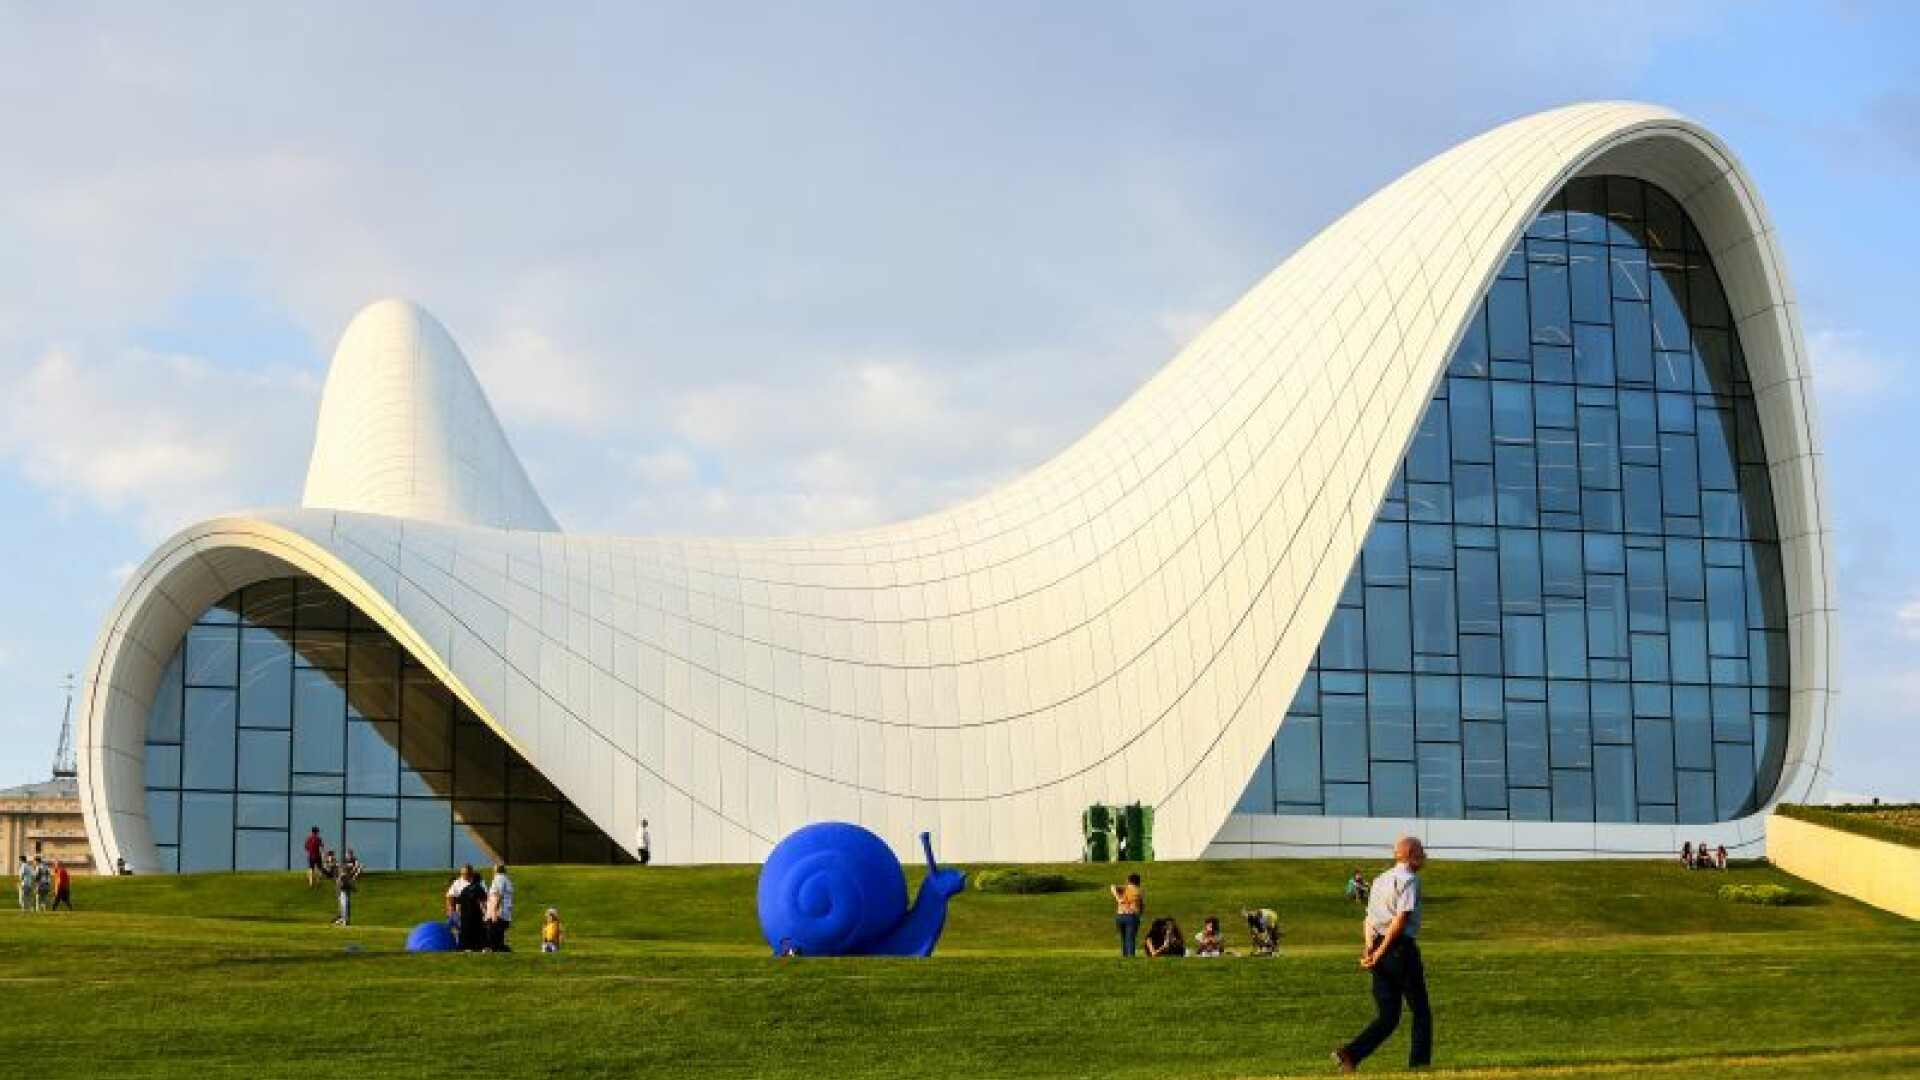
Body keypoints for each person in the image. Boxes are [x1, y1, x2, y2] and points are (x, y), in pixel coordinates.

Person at [1333, 836, 1432, 1074]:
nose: (1425, 855)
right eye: (1421, 851)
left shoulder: (1380, 879)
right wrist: (1379, 953)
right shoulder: (1409, 880)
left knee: (1388, 1016)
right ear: (1409, 854)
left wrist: (1370, 950)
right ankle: (1419, 1066)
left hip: (1379, 945)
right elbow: (1399, 921)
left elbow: (1369, 920)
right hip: (1399, 949)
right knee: (1421, 1011)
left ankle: (1350, 1054)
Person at [1110, 872, 1143, 958]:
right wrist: (1140, 916)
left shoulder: (1125, 888)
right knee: (1130, 939)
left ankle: (1124, 956)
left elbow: (1112, 887)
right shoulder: (1138, 890)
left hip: (1120, 916)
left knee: (1124, 938)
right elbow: (1140, 906)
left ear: (1129, 881)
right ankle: (1130, 957)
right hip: (1132, 916)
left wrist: (1118, 899)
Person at [455, 865, 488, 952]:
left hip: (465, 917)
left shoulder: (464, 890)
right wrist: (485, 914)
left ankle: (466, 948)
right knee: (478, 932)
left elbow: (458, 906)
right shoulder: (479, 889)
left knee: (466, 933)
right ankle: (480, 947)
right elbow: (483, 903)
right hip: (475, 916)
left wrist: (460, 915)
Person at [486, 863, 515, 952]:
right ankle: (501, 949)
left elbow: (498, 895)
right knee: (499, 936)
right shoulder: (507, 880)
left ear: (496, 871)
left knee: (493, 934)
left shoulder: (498, 879)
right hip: (505, 912)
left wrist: (494, 911)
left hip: (498, 912)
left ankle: (495, 949)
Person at [332, 849, 361, 926]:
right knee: (343, 905)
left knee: (345, 905)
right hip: (343, 891)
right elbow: (341, 882)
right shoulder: (343, 875)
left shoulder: (346, 875)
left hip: (345, 890)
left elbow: (349, 883)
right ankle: (342, 919)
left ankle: (344, 920)